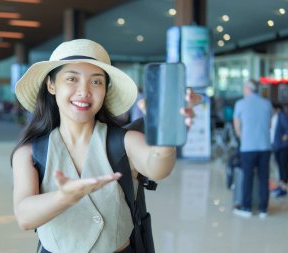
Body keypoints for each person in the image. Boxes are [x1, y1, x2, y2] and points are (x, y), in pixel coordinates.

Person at [10, 39, 201, 253]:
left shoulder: (125, 141)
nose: (84, 91)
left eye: (96, 82)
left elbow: (158, 168)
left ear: (105, 90)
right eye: (72, 79)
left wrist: (166, 136)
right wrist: (64, 197)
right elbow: (24, 217)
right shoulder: (30, 153)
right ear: (51, 85)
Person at [233, 79, 273, 218]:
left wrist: (242, 137)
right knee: (264, 178)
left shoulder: (240, 104)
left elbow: (237, 125)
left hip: (248, 147)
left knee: (247, 177)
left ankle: (246, 208)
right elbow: (269, 125)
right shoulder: (267, 103)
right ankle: (263, 209)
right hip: (265, 146)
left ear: (248, 89)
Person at [270, 103, 288, 197]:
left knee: (283, 166)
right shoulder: (274, 117)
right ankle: (281, 185)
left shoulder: (282, 116)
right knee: (280, 166)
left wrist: (285, 136)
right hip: (277, 146)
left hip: (284, 147)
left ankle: (284, 187)